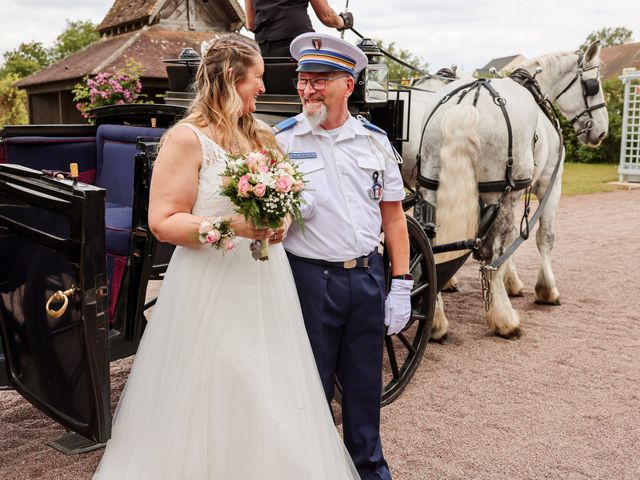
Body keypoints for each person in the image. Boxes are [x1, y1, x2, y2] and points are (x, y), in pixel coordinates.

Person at [93, 33, 359, 479]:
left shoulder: (262, 135)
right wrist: (231, 227)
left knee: (270, 386)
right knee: (222, 383)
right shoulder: (187, 138)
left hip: (265, 282)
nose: (262, 88)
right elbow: (164, 221)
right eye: (257, 79)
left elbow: (286, 203)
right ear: (233, 80)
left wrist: (281, 223)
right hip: (208, 285)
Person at [274, 32, 413, 480]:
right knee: (308, 390)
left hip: (366, 278)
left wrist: (402, 284)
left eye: (320, 81)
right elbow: (267, 226)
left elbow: (393, 219)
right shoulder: (280, 142)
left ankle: (370, 471)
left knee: (363, 389)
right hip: (310, 281)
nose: (308, 90)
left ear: (347, 86)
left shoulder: (373, 142)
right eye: (303, 80)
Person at [244, 0, 354, 57]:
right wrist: (344, 21)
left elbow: (250, 24)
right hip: (298, 45)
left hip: (264, 49)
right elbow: (327, 16)